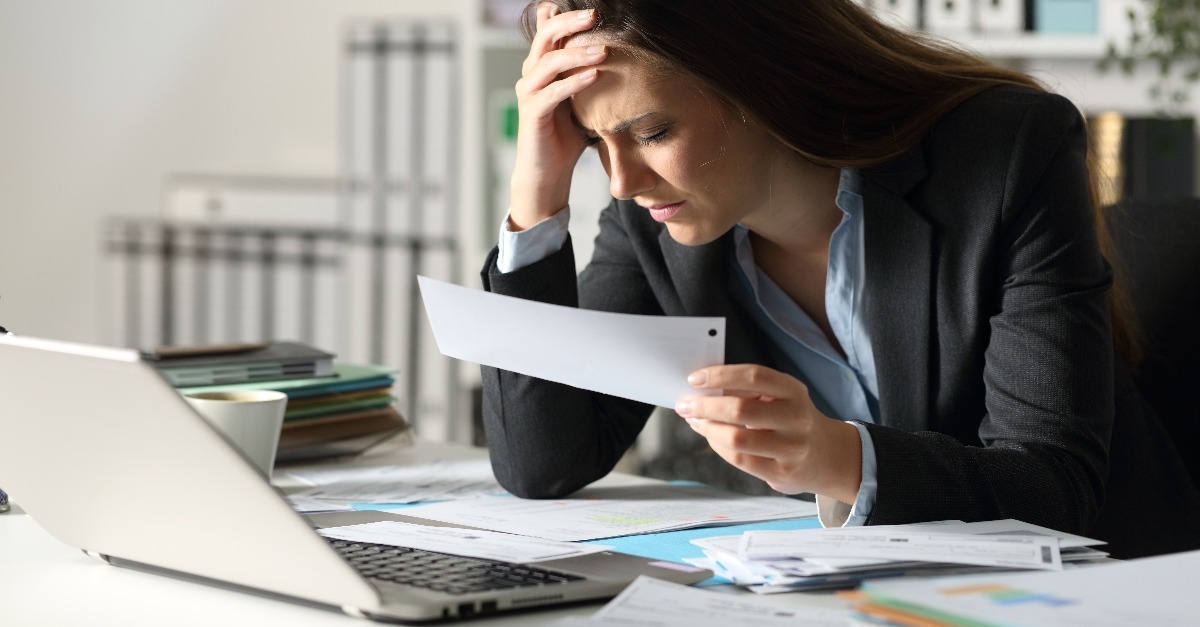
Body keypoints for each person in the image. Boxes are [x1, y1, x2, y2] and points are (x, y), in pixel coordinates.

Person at [478, 0, 1200, 559]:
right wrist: (535, 196)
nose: (623, 179)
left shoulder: (1008, 155)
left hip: (1099, 586)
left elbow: (1055, 487)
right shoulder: (654, 220)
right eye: (592, 141)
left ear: (757, 83)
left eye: (651, 131)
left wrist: (838, 458)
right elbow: (546, 460)